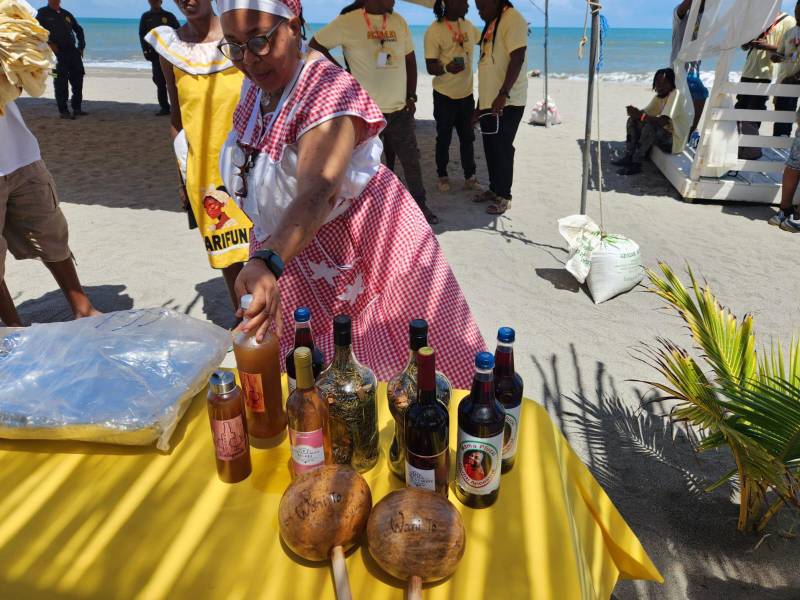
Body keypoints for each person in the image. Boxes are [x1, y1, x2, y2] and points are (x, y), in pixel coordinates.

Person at [216, 0, 485, 388]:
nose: (248, 59)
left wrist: (269, 259)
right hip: (294, 251)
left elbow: (319, 189)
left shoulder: (327, 90)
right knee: (315, 387)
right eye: (234, 45)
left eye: (259, 41)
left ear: (293, 26)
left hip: (363, 249)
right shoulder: (255, 86)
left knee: (397, 375)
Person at [145, 0, 251, 313]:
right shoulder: (171, 49)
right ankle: (244, 318)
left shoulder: (243, 38)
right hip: (205, 173)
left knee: (268, 250)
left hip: (254, 165)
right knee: (228, 256)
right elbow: (177, 121)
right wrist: (183, 178)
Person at [309, 0, 438, 224]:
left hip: (399, 110)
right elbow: (315, 46)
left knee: (411, 161)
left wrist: (411, 95)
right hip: (366, 114)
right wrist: (341, 74)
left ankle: (420, 206)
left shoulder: (399, 22)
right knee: (366, 166)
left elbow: (410, 59)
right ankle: (371, 214)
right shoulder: (348, 22)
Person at [0, 100, 98, 326]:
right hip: (19, 156)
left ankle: (83, 309)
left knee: (51, 231)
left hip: (22, 154)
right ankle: (14, 329)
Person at [473, 0, 528, 215]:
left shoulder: (513, 19)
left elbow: (518, 57)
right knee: (490, 146)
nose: (479, 11)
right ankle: (494, 189)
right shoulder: (493, 22)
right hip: (489, 101)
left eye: (482, 6)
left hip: (508, 101)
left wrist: (503, 94)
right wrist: (479, 105)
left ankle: (505, 196)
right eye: (477, 7)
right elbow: (488, 67)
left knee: (503, 148)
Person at [424, 0, 481, 193]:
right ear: (450, 3)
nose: (468, 5)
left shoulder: (468, 26)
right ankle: (442, 175)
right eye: (464, 1)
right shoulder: (434, 30)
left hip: (466, 94)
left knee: (468, 137)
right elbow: (430, 66)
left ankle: (470, 177)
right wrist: (447, 68)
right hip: (444, 96)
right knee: (444, 138)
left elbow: (486, 39)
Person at [612, 68, 690, 176]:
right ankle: (629, 156)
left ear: (672, 84)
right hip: (665, 135)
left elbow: (662, 122)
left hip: (674, 142)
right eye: (657, 83)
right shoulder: (660, 97)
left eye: (664, 83)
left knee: (651, 127)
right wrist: (635, 113)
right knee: (632, 120)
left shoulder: (675, 95)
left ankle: (636, 164)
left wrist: (641, 116)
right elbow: (646, 113)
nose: (659, 86)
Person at [734, 11, 794, 135]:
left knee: (755, 111)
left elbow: (790, 50)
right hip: (747, 71)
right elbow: (743, 46)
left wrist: (766, 46)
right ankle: (738, 147)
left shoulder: (788, 21)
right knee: (740, 109)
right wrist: (750, 42)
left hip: (766, 73)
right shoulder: (758, 17)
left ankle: (750, 149)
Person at [35, 0, 86, 120]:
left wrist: (81, 46)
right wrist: (48, 44)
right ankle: (63, 111)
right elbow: (33, 33)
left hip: (72, 52)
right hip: (55, 54)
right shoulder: (41, 14)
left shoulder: (66, 13)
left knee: (78, 79)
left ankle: (77, 108)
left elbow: (79, 30)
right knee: (59, 82)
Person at [138, 0, 180, 116]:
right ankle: (164, 108)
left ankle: (177, 106)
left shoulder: (168, 16)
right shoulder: (146, 16)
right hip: (155, 55)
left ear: (161, 2)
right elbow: (142, 35)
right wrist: (145, 51)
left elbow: (178, 31)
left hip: (170, 54)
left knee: (174, 81)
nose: (154, 2)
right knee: (159, 82)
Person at [672, 0, 707, 132]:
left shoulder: (706, 17)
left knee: (689, 100)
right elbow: (681, 9)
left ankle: (690, 130)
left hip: (694, 69)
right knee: (700, 92)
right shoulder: (682, 13)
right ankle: (691, 130)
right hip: (678, 67)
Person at [772, 2, 800, 137]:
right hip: (785, 80)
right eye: (796, 10)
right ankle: (779, 147)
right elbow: (780, 53)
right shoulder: (790, 32)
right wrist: (776, 57)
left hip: (794, 80)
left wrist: (795, 78)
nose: (797, 13)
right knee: (781, 118)